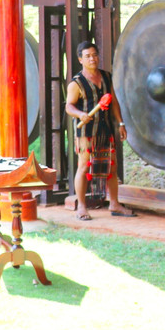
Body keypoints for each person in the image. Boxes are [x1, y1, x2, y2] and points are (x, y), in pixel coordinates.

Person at [65, 41, 134, 221]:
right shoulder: (76, 83)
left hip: (105, 128)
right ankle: (81, 206)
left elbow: (113, 101)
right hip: (86, 131)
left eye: (94, 55)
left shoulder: (106, 76)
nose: (92, 59)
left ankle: (114, 203)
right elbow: (69, 107)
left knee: (111, 166)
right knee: (84, 166)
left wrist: (120, 123)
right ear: (80, 59)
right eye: (87, 56)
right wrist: (80, 114)